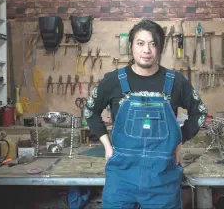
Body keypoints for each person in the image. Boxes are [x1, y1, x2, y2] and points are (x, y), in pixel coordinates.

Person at [85, 20, 207, 208]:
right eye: (140, 43)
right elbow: (90, 111)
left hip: (163, 178)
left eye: (153, 43)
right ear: (131, 46)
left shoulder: (176, 82)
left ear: (160, 48)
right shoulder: (113, 81)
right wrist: (107, 146)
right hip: (121, 179)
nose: (146, 50)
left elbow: (199, 111)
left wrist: (178, 140)